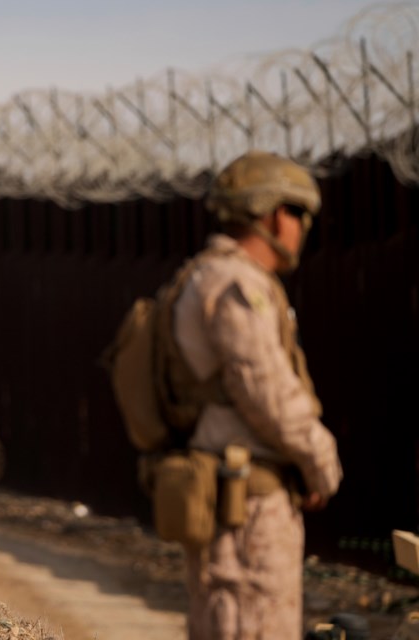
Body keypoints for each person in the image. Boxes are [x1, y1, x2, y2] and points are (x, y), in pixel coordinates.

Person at [171, 151, 343, 638]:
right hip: (245, 509)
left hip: (236, 496)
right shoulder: (235, 284)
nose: (302, 227)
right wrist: (320, 458)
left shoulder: (211, 275)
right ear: (271, 214)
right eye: (299, 213)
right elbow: (265, 391)